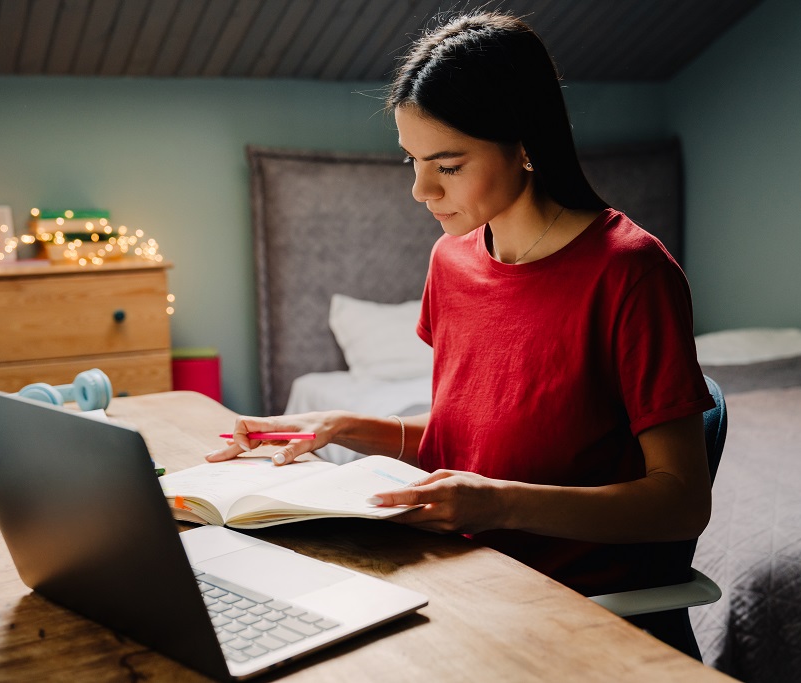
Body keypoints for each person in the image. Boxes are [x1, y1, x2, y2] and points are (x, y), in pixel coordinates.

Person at [207, 12, 715, 601]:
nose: (422, 191)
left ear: (526, 147)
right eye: (412, 161)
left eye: (447, 166)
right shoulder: (452, 262)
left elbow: (681, 503)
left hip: (566, 602)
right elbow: (466, 441)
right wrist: (339, 426)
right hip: (456, 571)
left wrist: (497, 503)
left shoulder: (630, 273)